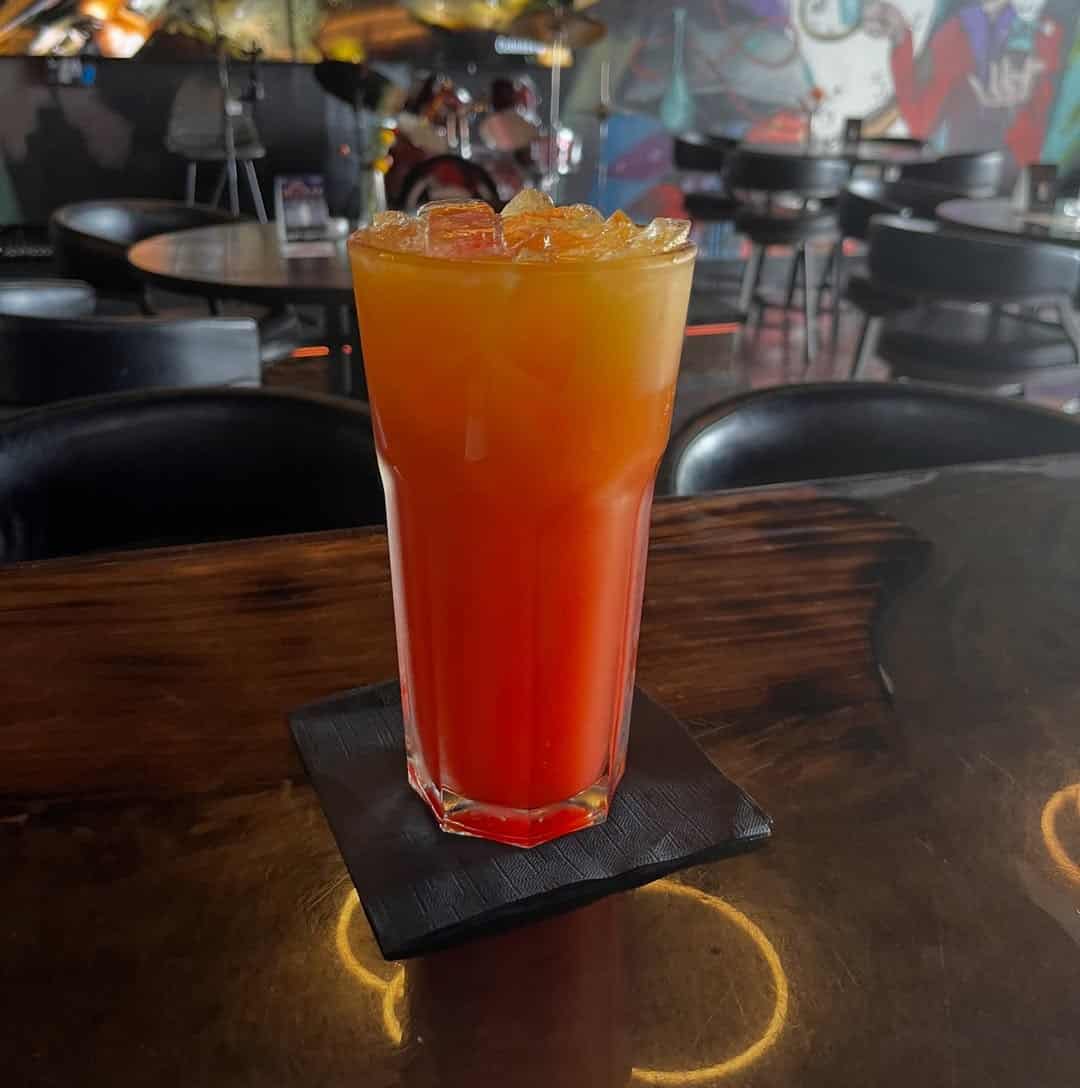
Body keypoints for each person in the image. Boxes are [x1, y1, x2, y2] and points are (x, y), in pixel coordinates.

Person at [864, 0, 1064, 167]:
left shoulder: (1049, 30)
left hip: (1002, 176)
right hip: (964, 173)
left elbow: (917, 117)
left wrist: (900, 36)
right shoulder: (954, 31)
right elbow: (920, 121)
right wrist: (900, 36)